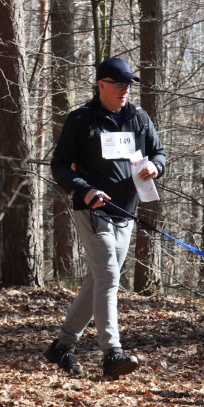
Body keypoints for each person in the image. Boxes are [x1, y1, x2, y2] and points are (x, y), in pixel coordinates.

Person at [45, 57, 166, 378]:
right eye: (119, 85)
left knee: (99, 280)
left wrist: (156, 166)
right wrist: (84, 189)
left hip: (126, 213)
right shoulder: (81, 119)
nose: (125, 91)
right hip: (92, 211)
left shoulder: (139, 117)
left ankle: (61, 346)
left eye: (129, 85)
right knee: (110, 277)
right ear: (102, 85)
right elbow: (59, 165)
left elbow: (158, 153)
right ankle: (113, 353)